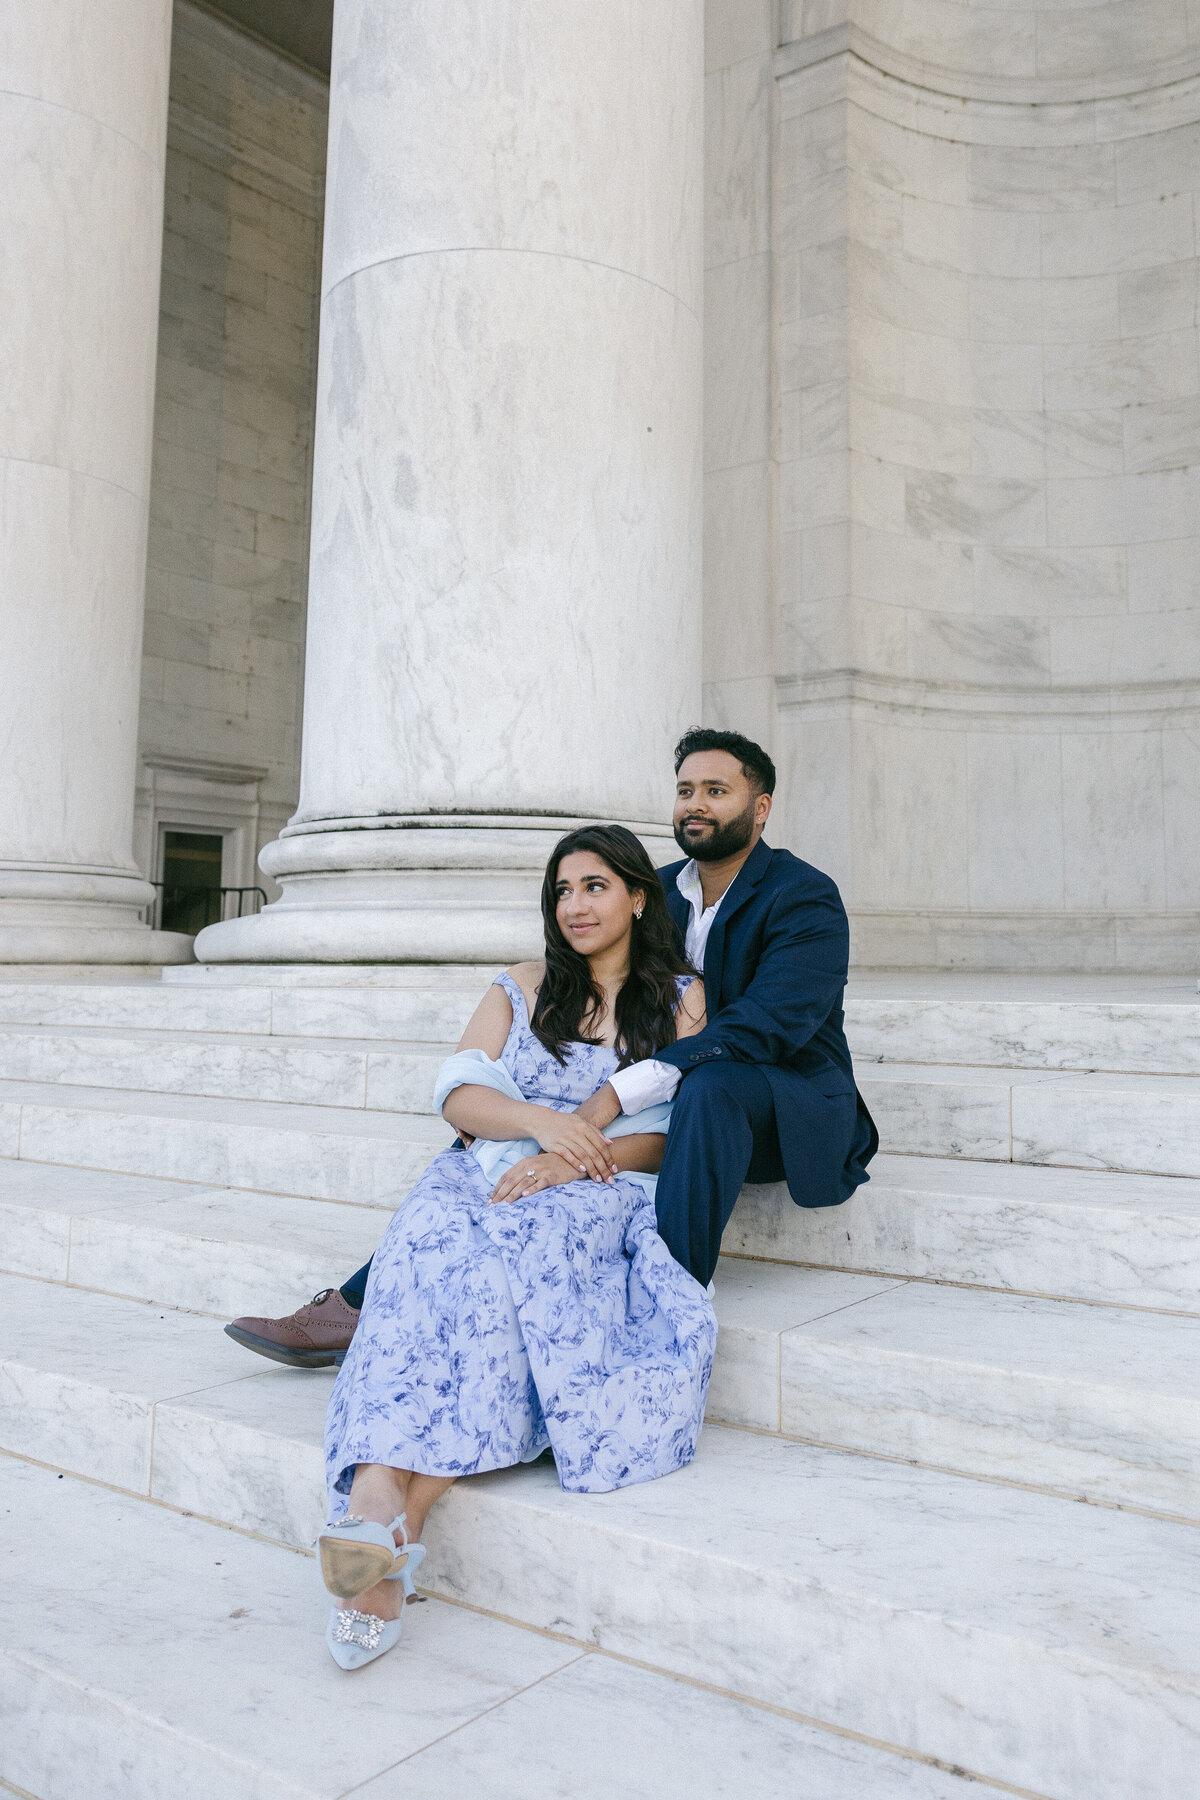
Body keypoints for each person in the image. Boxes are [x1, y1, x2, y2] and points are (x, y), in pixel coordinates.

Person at [226, 726, 877, 1366]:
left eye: (716, 790)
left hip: (780, 1093)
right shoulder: (659, 890)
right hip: (673, 1090)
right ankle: (358, 1301)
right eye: (685, 790)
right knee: (508, 1134)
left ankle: (663, 1304)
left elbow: (770, 1026)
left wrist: (608, 1100)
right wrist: (517, 1121)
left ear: (759, 808)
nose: (695, 805)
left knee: (706, 1087)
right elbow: (600, 974)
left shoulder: (804, 896)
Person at [316, 823, 715, 1668]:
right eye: (562, 891)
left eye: (595, 887)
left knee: (511, 1280)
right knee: (428, 1251)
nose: (575, 905)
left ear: (639, 896)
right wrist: (541, 1126)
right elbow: (459, 1093)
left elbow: (673, 1133)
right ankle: (386, 1498)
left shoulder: (681, 999)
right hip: (484, 1173)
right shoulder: (518, 986)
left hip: (597, 1194)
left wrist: (568, 1164)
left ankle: (385, 1505)